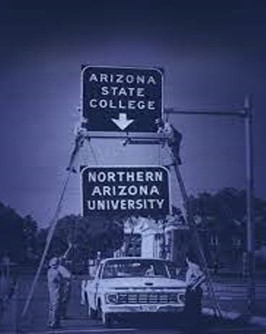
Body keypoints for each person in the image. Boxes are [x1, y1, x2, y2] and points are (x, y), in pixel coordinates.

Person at [184, 252, 206, 334]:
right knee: (191, 309)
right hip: (191, 289)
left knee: (192, 309)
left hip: (193, 290)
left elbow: (203, 276)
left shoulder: (194, 267)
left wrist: (195, 286)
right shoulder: (191, 267)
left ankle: (193, 328)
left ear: (187, 259)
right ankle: (192, 327)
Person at [47, 257, 63, 329]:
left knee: (51, 307)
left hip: (51, 291)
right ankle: (54, 322)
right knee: (56, 307)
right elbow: (61, 280)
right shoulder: (56, 272)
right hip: (56, 291)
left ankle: (50, 321)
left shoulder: (49, 271)